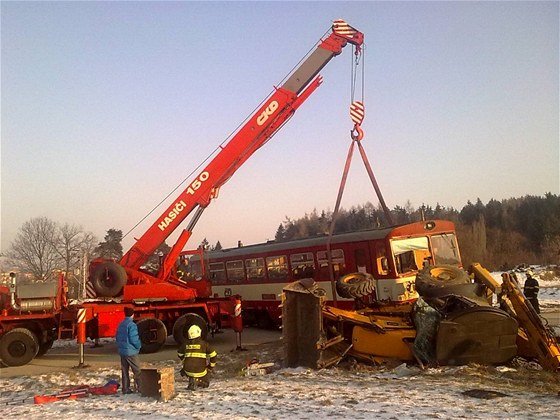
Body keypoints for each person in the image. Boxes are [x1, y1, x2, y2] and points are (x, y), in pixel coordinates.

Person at [177, 324, 217, 390]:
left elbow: (179, 353)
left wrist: (184, 359)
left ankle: (192, 381)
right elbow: (214, 355)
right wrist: (210, 366)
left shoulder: (185, 344)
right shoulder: (205, 344)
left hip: (187, 370)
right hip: (200, 371)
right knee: (206, 383)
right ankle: (199, 382)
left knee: (191, 367)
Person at [116, 307, 143, 394]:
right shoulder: (132, 325)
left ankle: (125, 388)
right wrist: (139, 346)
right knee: (137, 370)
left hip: (122, 351)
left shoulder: (121, 324)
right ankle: (141, 388)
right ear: (132, 314)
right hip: (131, 351)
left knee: (125, 371)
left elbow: (117, 337)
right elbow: (133, 338)